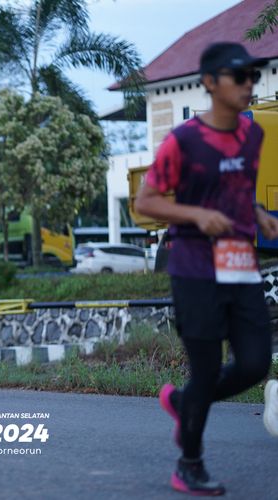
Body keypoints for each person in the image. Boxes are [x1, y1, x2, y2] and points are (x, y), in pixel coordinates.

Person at [135, 42, 278, 496]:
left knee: (255, 363)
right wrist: (196, 215)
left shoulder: (252, 135)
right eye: (239, 76)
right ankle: (190, 464)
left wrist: (257, 213)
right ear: (211, 82)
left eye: (253, 76)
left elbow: (235, 190)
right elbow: (145, 202)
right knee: (207, 366)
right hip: (195, 269)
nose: (248, 84)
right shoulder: (184, 140)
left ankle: (183, 402)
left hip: (240, 265)